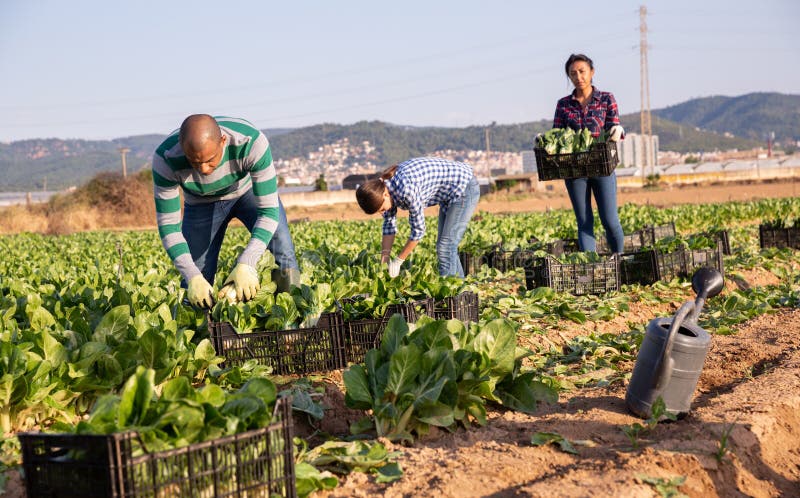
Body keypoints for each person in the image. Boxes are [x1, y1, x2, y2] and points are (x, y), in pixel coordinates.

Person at [152, 114, 300, 309]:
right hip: (200, 204)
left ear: (223, 141)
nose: (204, 170)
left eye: (210, 160)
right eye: (194, 162)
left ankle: (295, 317)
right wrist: (192, 275)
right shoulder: (166, 159)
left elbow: (269, 213)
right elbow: (169, 228)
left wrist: (247, 263)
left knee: (282, 248)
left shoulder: (251, 142)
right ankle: (200, 333)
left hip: (246, 193)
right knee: (196, 275)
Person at [355, 157, 480, 278]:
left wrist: (398, 261)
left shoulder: (407, 190)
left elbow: (418, 231)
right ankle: (460, 290)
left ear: (386, 194)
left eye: (381, 209)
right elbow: (389, 225)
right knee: (446, 247)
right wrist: (384, 260)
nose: (382, 213)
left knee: (446, 247)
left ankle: (454, 292)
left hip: (464, 188)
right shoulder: (384, 188)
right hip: (448, 194)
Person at [552, 53, 625, 253]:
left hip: (602, 166)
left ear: (591, 72)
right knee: (584, 222)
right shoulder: (563, 105)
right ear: (569, 77)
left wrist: (618, 131)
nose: (578, 77)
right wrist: (545, 142)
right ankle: (591, 268)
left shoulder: (606, 99)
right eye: (573, 73)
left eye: (582, 71)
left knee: (610, 220)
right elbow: (557, 134)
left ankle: (619, 260)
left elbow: (614, 125)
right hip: (575, 170)